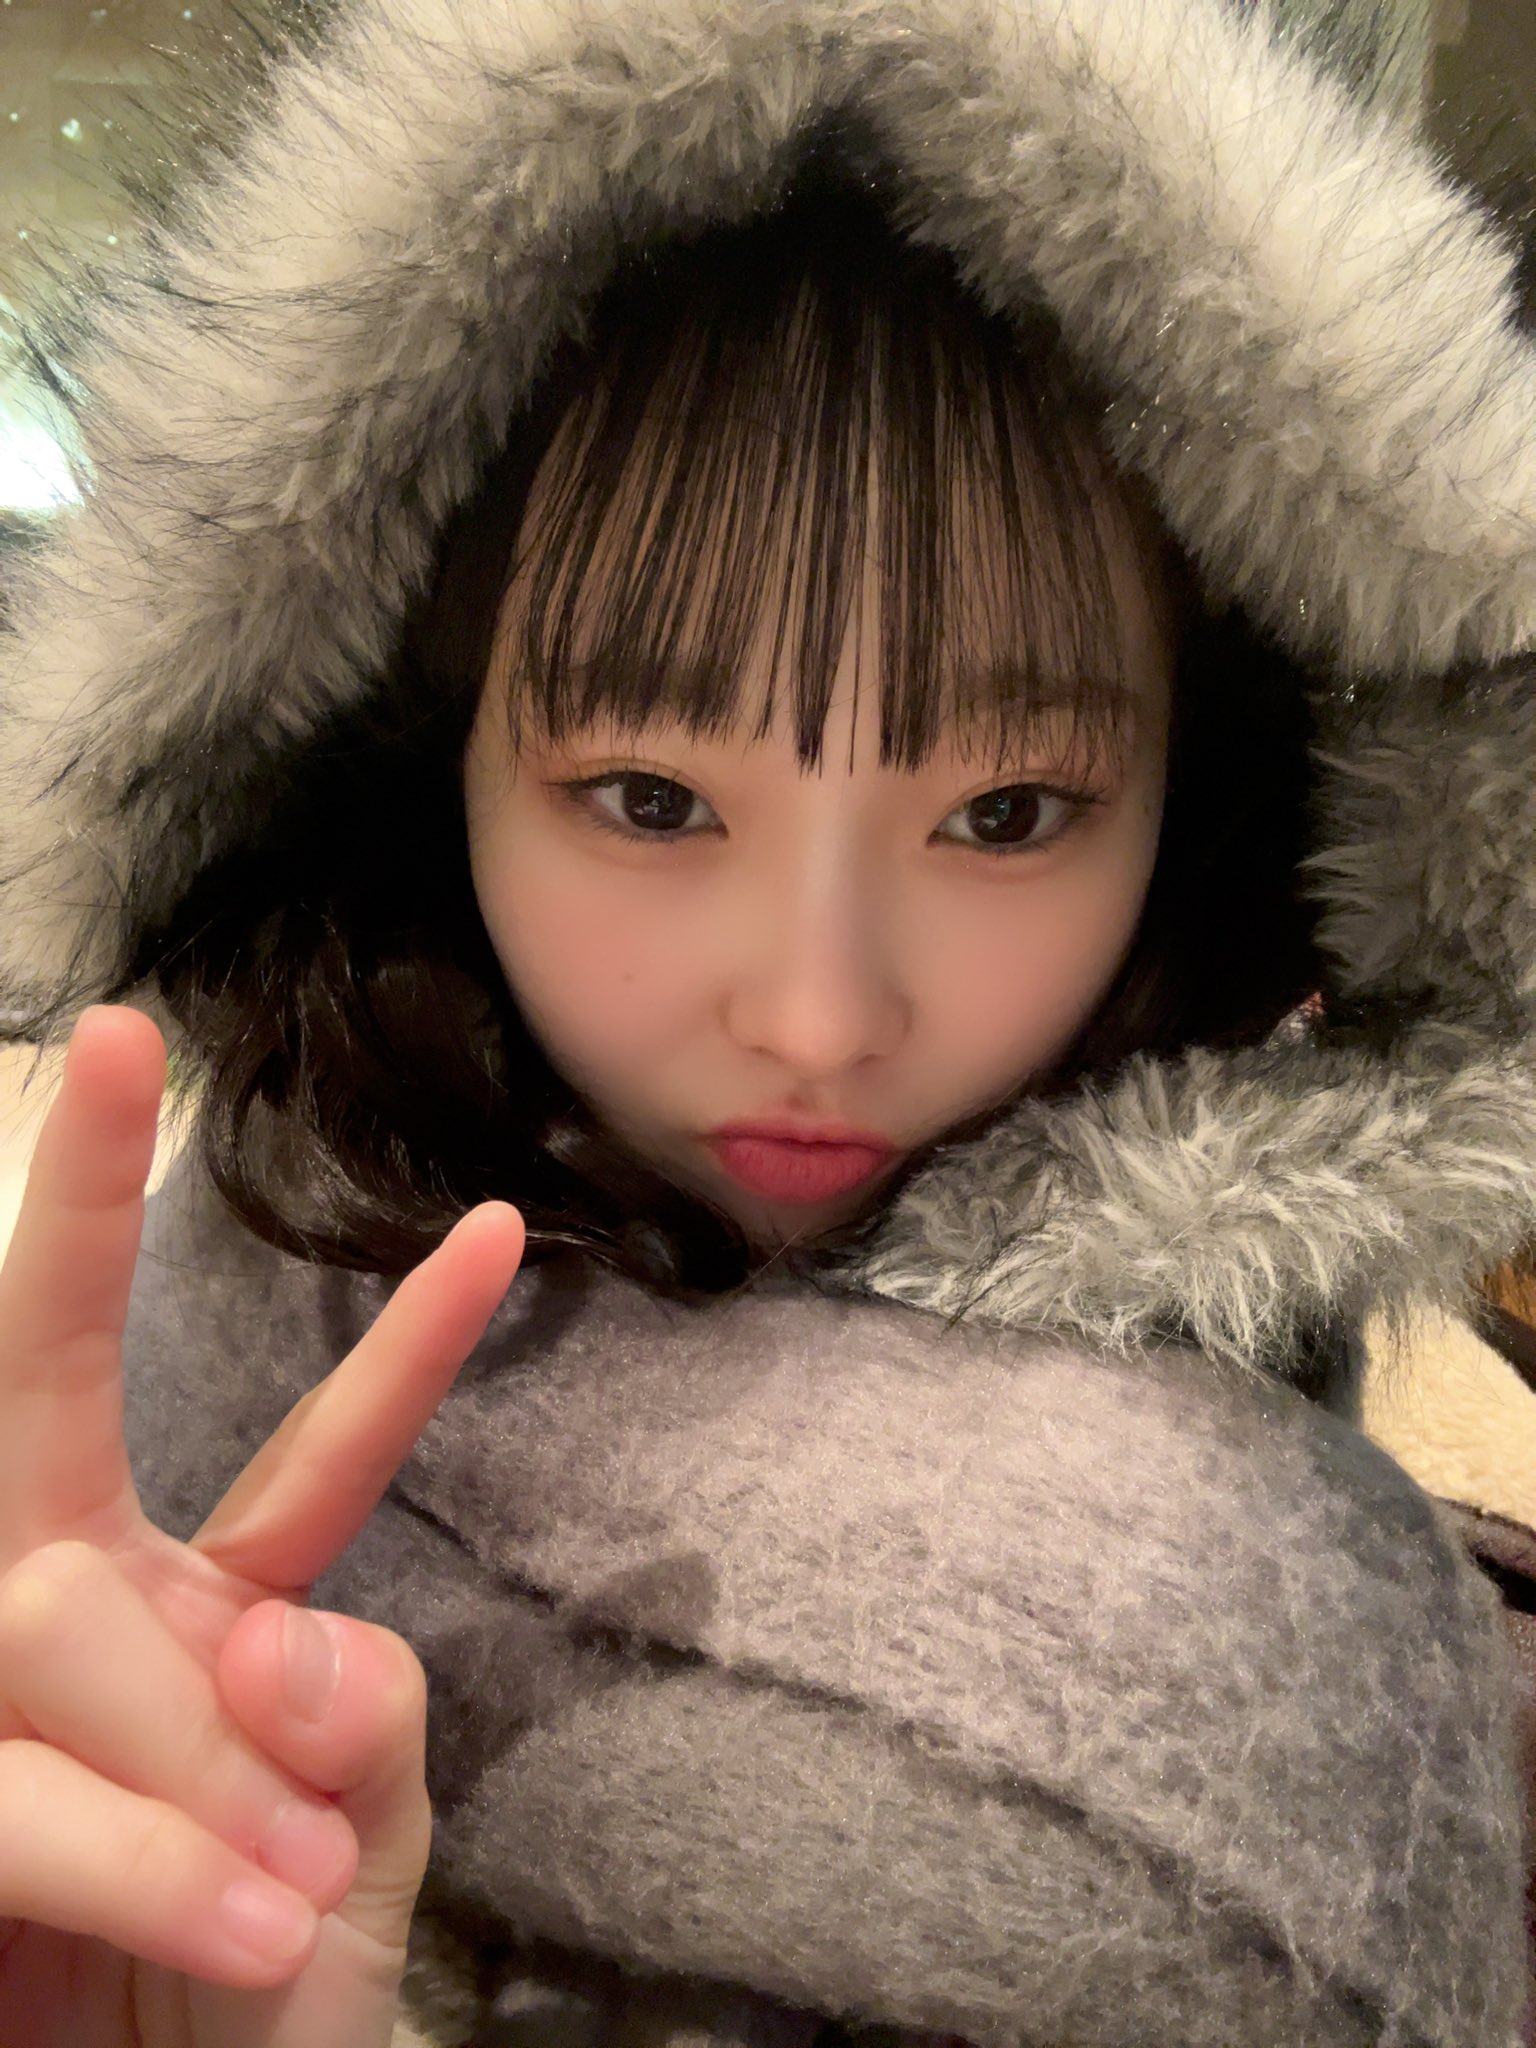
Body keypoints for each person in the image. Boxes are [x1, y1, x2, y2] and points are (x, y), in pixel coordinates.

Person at [0, 0, 1531, 2043]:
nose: (818, 1014)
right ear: (418, 761)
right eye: (650, 799)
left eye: (1007, 813)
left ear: (1211, 799)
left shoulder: (1317, 1603)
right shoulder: (180, 1359)